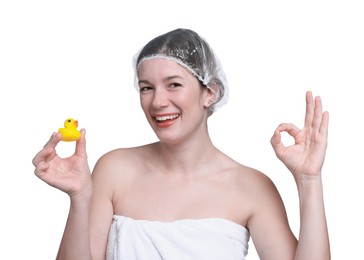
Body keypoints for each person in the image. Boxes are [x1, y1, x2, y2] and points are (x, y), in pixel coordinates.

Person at [32, 28, 330, 260]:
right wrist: (80, 197)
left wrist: (309, 180)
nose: (158, 101)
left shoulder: (251, 186)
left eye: (174, 84)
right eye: (147, 88)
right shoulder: (115, 169)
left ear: (210, 92)